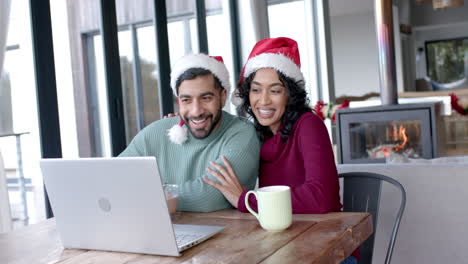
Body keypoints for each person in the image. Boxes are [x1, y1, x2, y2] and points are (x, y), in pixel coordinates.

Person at [203, 37, 357, 263]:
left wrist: (246, 199)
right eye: (256, 90)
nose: (263, 101)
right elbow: (215, 134)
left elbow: (321, 197)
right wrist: (178, 128)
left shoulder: (308, 124)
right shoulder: (259, 133)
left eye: (275, 91)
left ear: (290, 95)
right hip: (284, 246)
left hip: (328, 249)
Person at [119, 53, 260, 212]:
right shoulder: (156, 132)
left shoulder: (242, 134)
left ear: (222, 97)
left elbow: (207, 196)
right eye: (186, 100)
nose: (196, 111)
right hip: (160, 232)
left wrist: (138, 197)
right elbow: (113, 178)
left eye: (206, 98)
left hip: (230, 235)